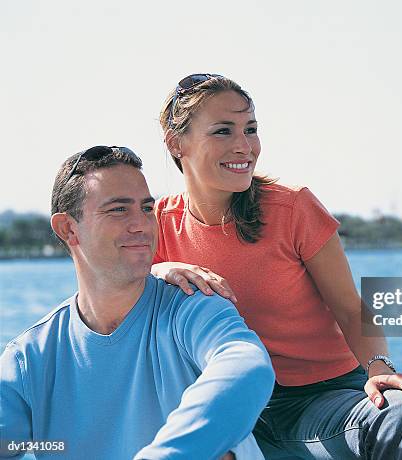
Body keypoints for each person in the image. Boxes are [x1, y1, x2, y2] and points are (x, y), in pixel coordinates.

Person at [152, 74, 402, 459]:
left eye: (250, 129)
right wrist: (159, 270)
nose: (244, 146)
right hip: (229, 408)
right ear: (176, 142)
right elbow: (112, 302)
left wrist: (379, 368)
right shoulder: (156, 225)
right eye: (223, 131)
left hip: (323, 400)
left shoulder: (293, 208)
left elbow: (349, 307)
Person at [0, 146, 275, 460]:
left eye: (146, 208)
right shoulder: (29, 357)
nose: (142, 224)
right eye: (119, 210)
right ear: (68, 229)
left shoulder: (194, 305)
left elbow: (247, 367)